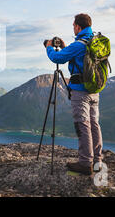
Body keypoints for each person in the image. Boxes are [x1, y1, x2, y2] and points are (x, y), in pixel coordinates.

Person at [45, 13, 103, 175]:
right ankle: (98, 161)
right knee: (94, 124)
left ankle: (85, 163)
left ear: (78, 26)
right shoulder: (95, 42)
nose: (73, 28)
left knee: (82, 124)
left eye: (73, 26)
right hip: (94, 91)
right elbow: (80, 59)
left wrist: (49, 47)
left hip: (80, 91)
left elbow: (57, 58)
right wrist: (66, 47)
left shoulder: (79, 44)